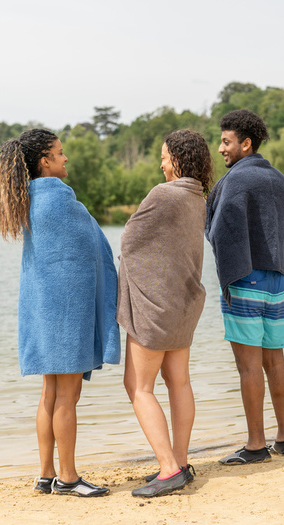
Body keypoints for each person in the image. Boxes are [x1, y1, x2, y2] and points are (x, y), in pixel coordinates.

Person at [0, 128, 120, 496]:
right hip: (66, 314)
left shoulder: (29, 201)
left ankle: (45, 474)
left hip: (42, 312)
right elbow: (90, 256)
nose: (66, 158)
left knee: (49, 393)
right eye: (60, 153)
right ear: (44, 161)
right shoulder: (61, 202)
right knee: (67, 396)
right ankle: (68, 477)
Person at [205, 110, 284, 465]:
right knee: (275, 360)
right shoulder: (278, 179)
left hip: (246, 281)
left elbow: (219, 229)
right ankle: (283, 438)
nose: (220, 148)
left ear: (246, 143)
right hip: (277, 284)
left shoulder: (236, 181)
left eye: (226, 141)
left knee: (248, 366)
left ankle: (256, 444)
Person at [117, 129, 213, 497]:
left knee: (138, 386)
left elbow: (130, 239)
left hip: (156, 306)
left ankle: (168, 469)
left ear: (179, 159)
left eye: (163, 156)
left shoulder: (164, 194)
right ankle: (181, 461)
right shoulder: (197, 196)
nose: (160, 162)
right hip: (186, 302)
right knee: (179, 383)